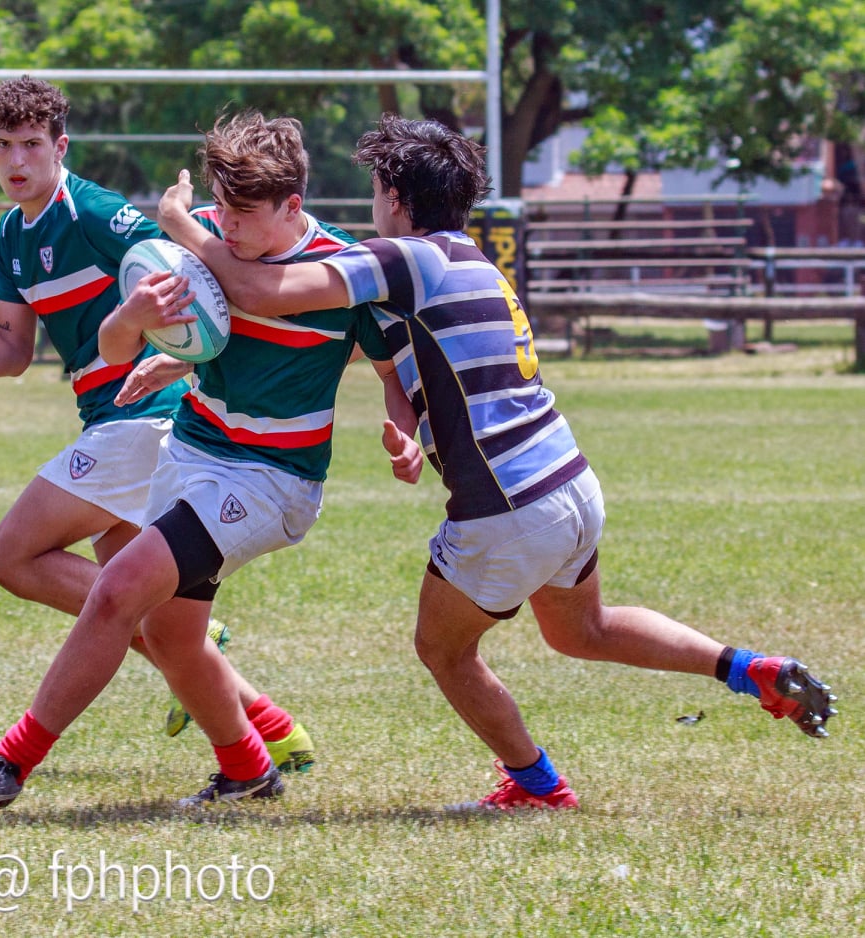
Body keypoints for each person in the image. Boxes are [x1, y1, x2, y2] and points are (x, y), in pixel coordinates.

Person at [155, 113, 838, 811]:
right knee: (582, 630)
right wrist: (404, 428)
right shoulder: (470, 260)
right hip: (568, 482)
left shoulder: (405, 258)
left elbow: (263, 291)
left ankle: (537, 785)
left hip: (507, 504)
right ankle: (747, 669)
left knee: (442, 650)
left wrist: (180, 222)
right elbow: (419, 368)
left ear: (394, 195)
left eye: (374, 188)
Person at [0, 90, 318, 811]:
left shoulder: (96, 214)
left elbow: (192, 284)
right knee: (151, 614)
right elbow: (11, 351)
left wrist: (170, 341)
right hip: (106, 415)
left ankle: (13, 764)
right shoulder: (12, 234)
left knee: (12, 555)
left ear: (60, 146)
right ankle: (262, 735)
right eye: (2, 145)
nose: (15, 160)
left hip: (145, 418)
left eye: (31, 145)